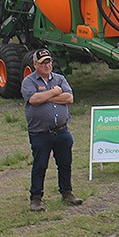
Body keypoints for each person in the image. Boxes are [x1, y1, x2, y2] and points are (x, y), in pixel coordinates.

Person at [22, 49, 83, 211]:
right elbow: (34, 100)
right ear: (35, 65)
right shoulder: (28, 82)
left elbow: (69, 98)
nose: (47, 65)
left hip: (62, 130)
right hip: (40, 132)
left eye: (48, 62)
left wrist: (46, 95)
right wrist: (55, 92)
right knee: (40, 165)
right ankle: (36, 198)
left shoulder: (59, 78)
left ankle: (67, 192)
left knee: (65, 163)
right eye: (42, 63)